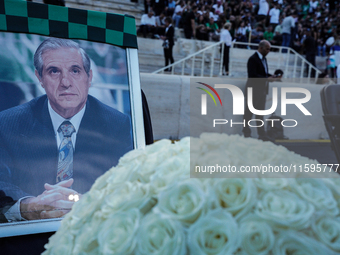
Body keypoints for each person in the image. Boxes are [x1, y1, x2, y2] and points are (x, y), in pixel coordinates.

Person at [0, 38, 133, 222]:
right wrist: (28, 207)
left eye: (75, 71)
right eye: (54, 71)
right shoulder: (7, 123)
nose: (66, 82)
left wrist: (93, 204)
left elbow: (129, 186)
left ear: (90, 77)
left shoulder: (119, 124)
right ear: (40, 78)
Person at [242, 40, 281, 141]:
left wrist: (270, 76)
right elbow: (252, 75)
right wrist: (267, 79)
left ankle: (262, 134)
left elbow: (262, 74)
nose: (269, 51)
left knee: (260, 114)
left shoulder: (263, 59)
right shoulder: (253, 59)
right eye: (267, 49)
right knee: (249, 113)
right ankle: (246, 133)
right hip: (253, 90)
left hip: (262, 91)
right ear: (261, 48)